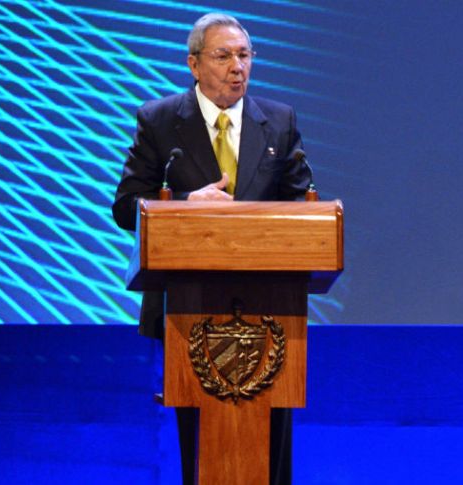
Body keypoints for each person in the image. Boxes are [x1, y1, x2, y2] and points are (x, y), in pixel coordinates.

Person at [112, 12, 311, 485]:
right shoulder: (160, 121)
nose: (236, 67)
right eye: (223, 56)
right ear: (194, 64)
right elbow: (126, 206)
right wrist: (183, 203)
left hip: (271, 310)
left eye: (245, 56)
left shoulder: (279, 122)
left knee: (273, 441)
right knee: (202, 441)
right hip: (188, 309)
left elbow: (305, 203)